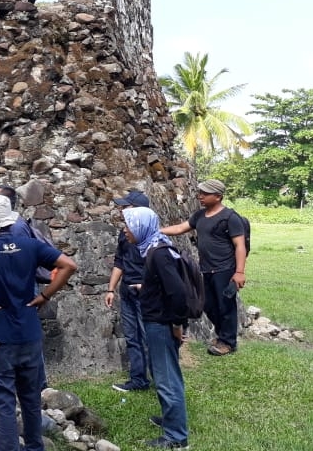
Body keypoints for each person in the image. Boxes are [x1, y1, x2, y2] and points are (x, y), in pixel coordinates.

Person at [0, 195, 78, 451]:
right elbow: (69, 265)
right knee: (30, 397)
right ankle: (35, 447)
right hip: (30, 334)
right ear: (10, 219)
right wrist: (45, 295)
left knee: (3, 400)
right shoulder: (29, 245)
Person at [123, 206, 190, 449]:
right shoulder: (153, 248)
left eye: (128, 225)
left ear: (141, 226)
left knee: (166, 378)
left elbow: (178, 293)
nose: (125, 230)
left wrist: (177, 326)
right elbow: (165, 287)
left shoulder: (158, 253)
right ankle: (171, 419)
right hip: (158, 320)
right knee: (164, 373)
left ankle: (176, 437)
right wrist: (146, 288)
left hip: (162, 323)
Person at [161, 179, 247, 356]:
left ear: (218, 196)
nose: (200, 196)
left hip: (225, 270)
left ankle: (228, 342)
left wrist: (239, 272)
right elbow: (180, 228)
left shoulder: (230, 218)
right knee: (207, 305)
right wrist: (156, 230)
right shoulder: (199, 216)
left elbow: (240, 246)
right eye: (200, 193)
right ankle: (222, 336)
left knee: (226, 306)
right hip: (206, 269)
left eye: (205, 194)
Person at [105, 190, 151, 392]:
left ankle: (161, 380)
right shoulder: (125, 233)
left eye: (126, 206)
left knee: (149, 337)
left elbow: (161, 268)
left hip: (146, 293)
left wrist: (146, 286)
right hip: (127, 292)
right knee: (132, 337)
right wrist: (111, 289)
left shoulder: (152, 235)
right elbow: (120, 261)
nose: (121, 210)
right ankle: (138, 379)